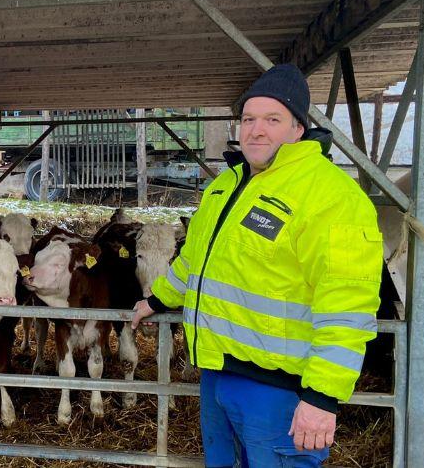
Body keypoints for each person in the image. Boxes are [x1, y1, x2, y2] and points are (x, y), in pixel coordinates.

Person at [132, 64, 382, 467]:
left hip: (281, 391)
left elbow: (348, 305)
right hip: (217, 374)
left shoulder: (331, 196)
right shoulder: (224, 186)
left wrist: (321, 396)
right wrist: (158, 301)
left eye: (272, 119)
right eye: (248, 119)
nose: (256, 130)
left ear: (298, 129)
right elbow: (194, 262)